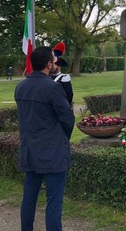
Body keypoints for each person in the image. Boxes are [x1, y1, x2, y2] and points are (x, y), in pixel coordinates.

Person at [14, 46, 75, 231]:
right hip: (52, 153)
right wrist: (62, 138)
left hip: (30, 151)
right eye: (53, 60)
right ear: (49, 64)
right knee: (54, 201)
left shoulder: (20, 87)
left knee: (29, 198)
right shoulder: (53, 87)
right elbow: (68, 118)